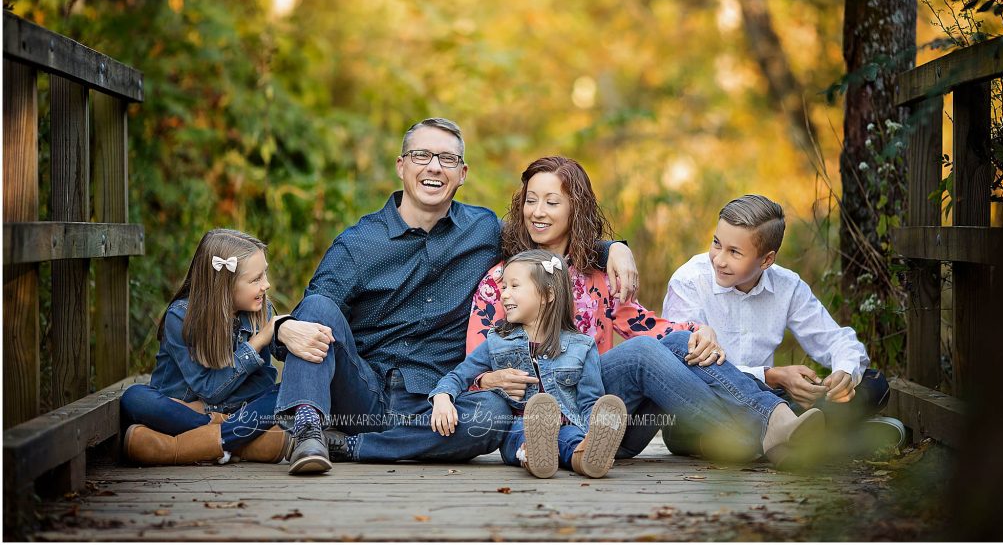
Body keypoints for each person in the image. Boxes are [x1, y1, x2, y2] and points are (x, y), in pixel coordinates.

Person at [272, 119, 640, 474]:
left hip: (440, 405)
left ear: (462, 173)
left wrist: (612, 249)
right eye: (421, 156)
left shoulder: (482, 229)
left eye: (447, 159)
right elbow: (310, 319)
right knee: (319, 306)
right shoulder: (358, 244)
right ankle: (307, 430)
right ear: (401, 166)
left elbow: (544, 232)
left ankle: (352, 448)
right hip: (363, 393)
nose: (434, 167)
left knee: (494, 414)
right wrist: (282, 328)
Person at [467, 157, 824, 467]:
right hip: (540, 422)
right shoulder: (502, 281)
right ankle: (760, 432)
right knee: (641, 354)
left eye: (551, 202)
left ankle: (773, 422)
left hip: (606, 417)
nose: (538, 212)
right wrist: (487, 379)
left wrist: (698, 331)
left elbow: (646, 325)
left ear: (575, 209)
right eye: (531, 201)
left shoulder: (601, 275)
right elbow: (474, 365)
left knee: (680, 340)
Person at [662, 194, 904, 453]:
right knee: (682, 428)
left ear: (766, 260)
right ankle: (847, 440)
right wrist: (773, 375)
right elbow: (685, 366)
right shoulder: (689, 281)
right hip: (709, 403)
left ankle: (787, 438)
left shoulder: (788, 286)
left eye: (734, 252)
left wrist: (843, 374)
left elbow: (837, 339)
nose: (719, 260)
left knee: (874, 383)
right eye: (716, 244)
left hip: (772, 401)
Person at [432, 249, 628, 478]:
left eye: (514, 286)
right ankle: (534, 455)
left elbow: (588, 402)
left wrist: (592, 431)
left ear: (548, 294)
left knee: (571, 439)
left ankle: (586, 458)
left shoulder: (581, 346)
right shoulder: (497, 341)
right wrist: (442, 397)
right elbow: (458, 376)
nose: (504, 294)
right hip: (516, 425)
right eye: (503, 287)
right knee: (521, 435)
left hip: (567, 424)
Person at [121, 229, 290, 466]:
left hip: (206, 412)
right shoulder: (180, 317)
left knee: (290, 390)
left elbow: (263, 381)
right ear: (224, 284)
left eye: (265, 274)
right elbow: (209, 388)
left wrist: (205, 408)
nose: (267, 284)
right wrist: (256, 343)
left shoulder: (261, 312)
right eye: (255, 279)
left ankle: (188, 445)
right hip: (178, 413)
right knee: (135, 398)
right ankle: (237, 442)